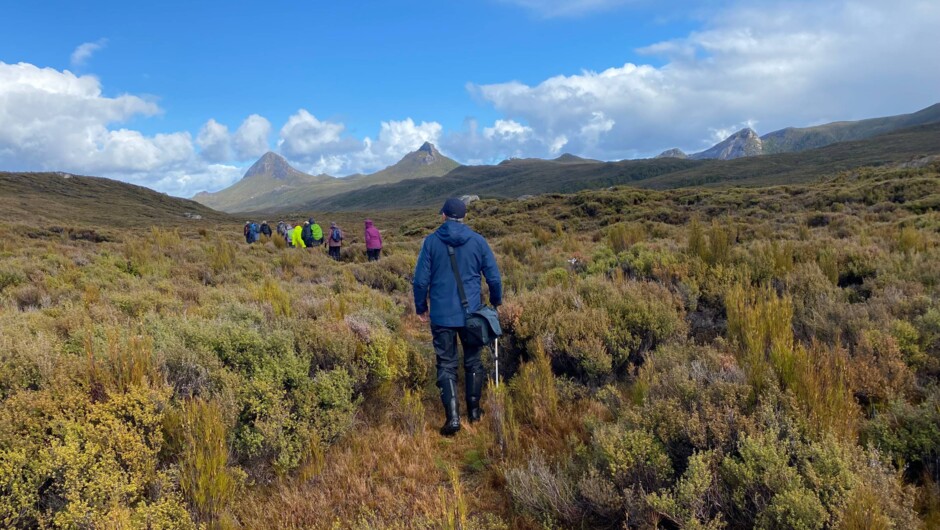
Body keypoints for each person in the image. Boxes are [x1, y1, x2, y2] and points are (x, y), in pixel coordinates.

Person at [413, 198, 502, 436]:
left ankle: (452, 418)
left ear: (443, 215)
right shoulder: (478, 241)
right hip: (471, 313)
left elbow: (421, 280)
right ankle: (474, 412)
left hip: (442, 316)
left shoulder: (431, 242)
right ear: (464, 217)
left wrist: (420, 307)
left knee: (446, 364)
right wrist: (496, 301)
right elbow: (493, 277)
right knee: (473, 361)